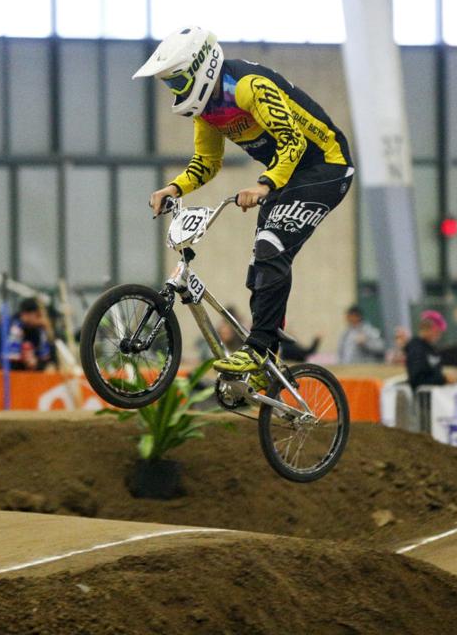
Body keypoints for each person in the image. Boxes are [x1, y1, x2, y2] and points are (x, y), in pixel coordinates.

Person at [140, 27, 354, 388]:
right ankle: (265, 366)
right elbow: (207, 162)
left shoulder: (247, 86)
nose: (175, 92)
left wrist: (263, 184)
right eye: (170, 86)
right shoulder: (207, 111)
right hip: (287, 176)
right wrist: (174, 187)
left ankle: (257, 350)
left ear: (199, 68)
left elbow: (293, 142)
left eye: (177, 83)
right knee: (260, 265)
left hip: (326, 167)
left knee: (271, 245)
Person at [405, 310, 456, 388]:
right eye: (437, 332)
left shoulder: (430, 348)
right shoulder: (416, 349)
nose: (439, 336)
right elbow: (417, 381)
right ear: (427, 328)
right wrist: (444, 379)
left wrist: (445, 377)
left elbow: (433, 372)